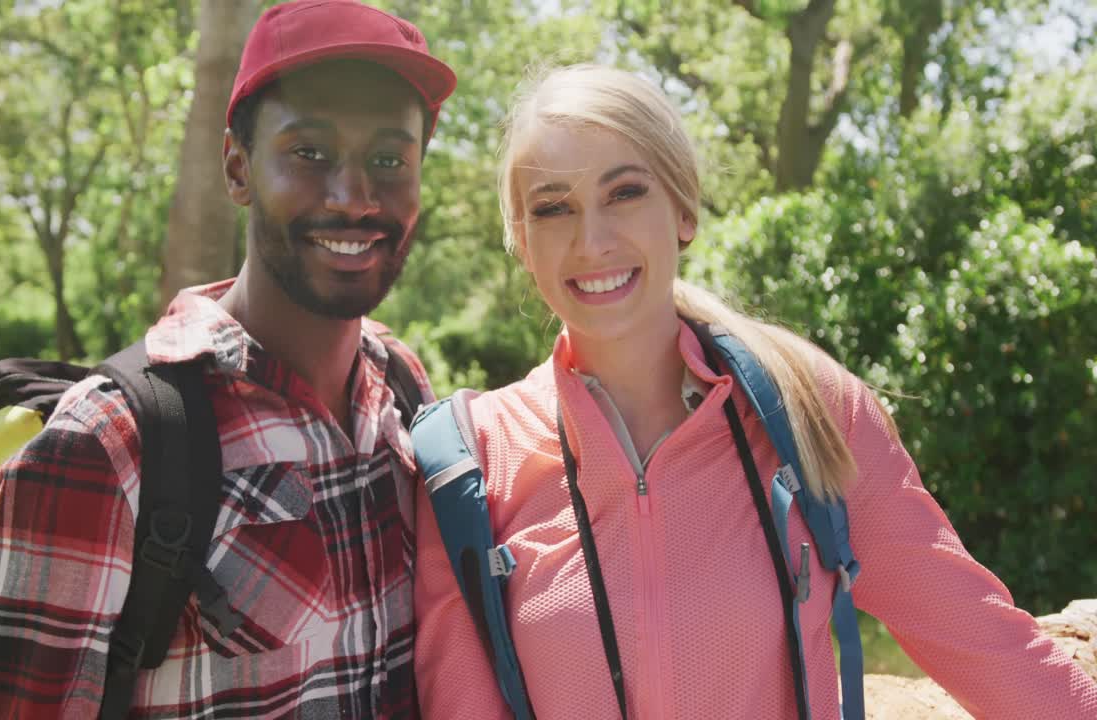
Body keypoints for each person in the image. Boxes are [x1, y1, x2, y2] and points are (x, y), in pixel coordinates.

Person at [413, 64, 1097, 719]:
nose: (592, 240)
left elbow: (986, 645)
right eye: (553, 207)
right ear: (522, 243)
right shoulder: (468, 465)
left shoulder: (811, 410)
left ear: (684, 210)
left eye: (625, 193)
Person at [0, 1, 455, 717]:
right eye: (309, 153)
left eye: (389, 159)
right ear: (237, 170)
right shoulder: (108, 447)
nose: (355, 196)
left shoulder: (399, 390)